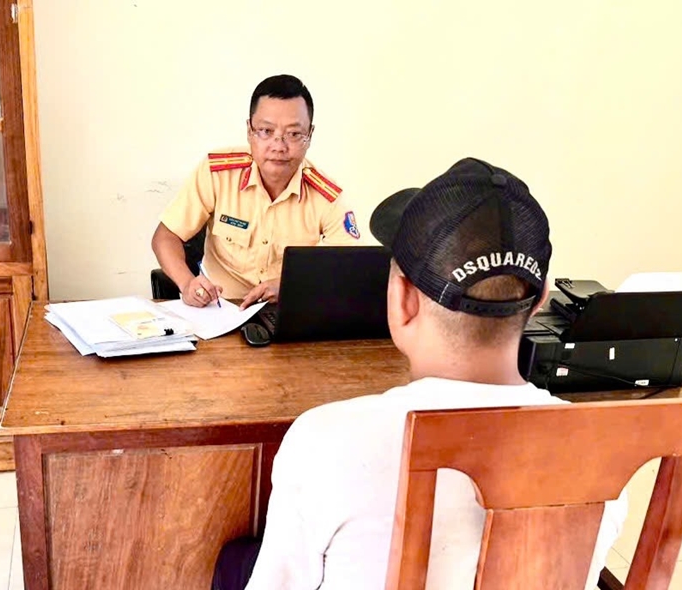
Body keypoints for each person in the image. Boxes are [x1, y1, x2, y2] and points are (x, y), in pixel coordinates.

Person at [211, 157, 628, 589]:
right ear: (540, 299)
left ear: (402, 299)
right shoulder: (606, 454)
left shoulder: (323, 441)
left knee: (234, 563)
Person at [151, 74, 361, 309]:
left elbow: (350, 269)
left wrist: (290, 286)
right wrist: (187, 283)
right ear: (249, 131)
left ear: (309, 136)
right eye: (266, 131)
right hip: (219, 308)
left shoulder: (327, 197)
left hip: (288, 309)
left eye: (293, 134)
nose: (278, 146)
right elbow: (165, 237)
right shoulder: (218, 173)